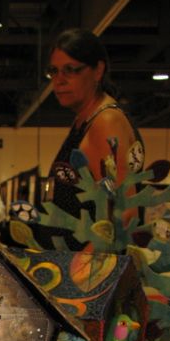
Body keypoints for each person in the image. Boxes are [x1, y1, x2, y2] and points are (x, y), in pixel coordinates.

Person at [46, 28, 145, 223]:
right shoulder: (85, 119)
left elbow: (126, 213)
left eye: (70, 70)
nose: (59, 81)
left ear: (98, 70)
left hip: (90, 244)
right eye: (54, 71)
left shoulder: (105, 122)